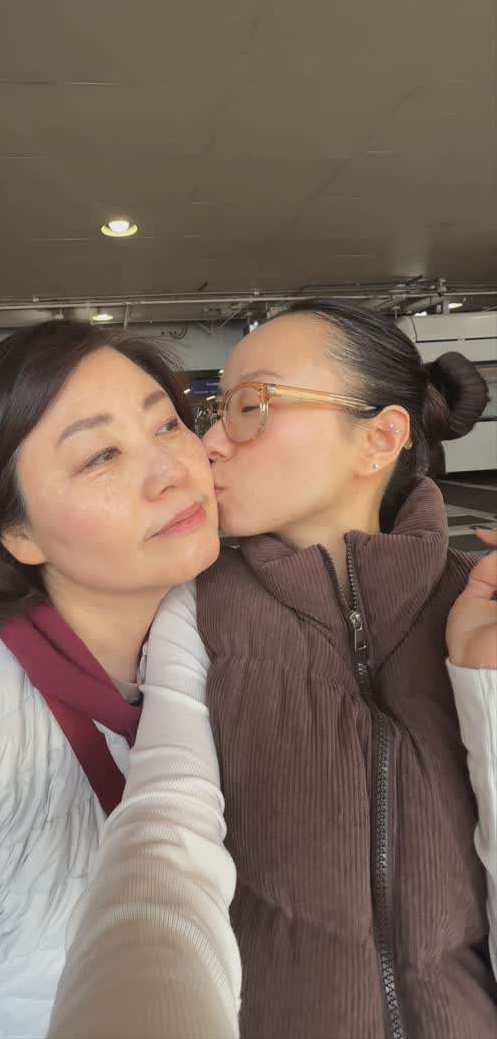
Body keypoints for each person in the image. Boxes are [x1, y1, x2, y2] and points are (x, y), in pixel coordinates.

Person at [0, 321, 237, 1039]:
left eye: (167, 423)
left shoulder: (220, 638)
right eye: (101, 455)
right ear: (17, 532)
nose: (170, 469)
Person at [146, 299, 494, 1038]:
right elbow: (164, 838)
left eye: (251, 407)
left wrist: (486, 682)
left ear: (380, 438)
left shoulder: (479, 604)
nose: (210, 443)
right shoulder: (197, 609)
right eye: (215, 412)